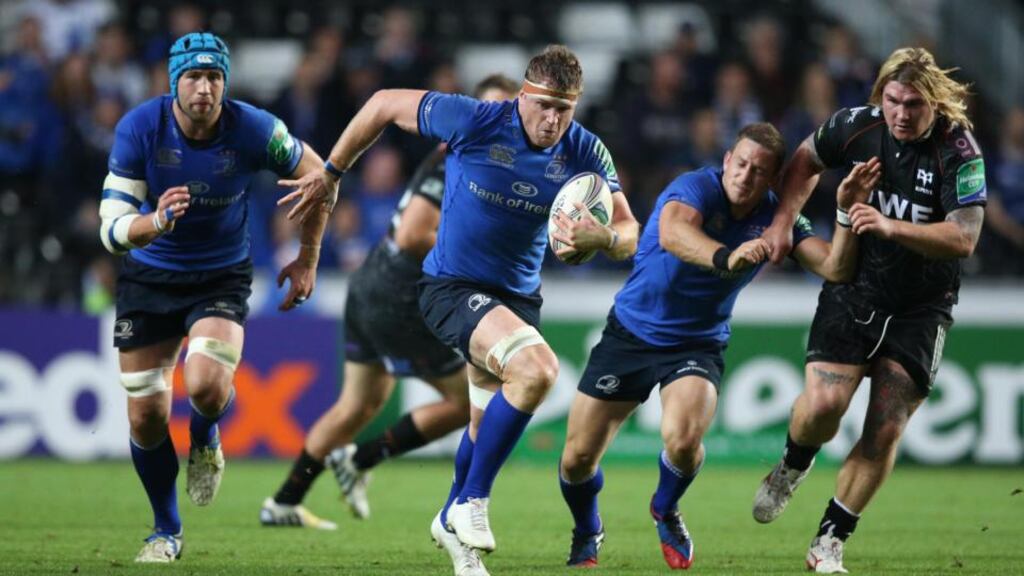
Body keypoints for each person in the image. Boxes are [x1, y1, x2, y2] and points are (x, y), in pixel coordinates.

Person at [279, 45, 640, 576]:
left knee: (478, 427)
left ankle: (456, 537)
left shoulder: (586, 150)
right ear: (524, 95)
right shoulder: (475, 119)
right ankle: (469, 504)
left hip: (516, 299)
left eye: (565, 110)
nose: (553, 120)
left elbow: (632, 232)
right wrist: (333, 171)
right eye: (544, 106)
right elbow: (380, 103)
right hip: (451, 287)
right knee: (537, 370)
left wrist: (605, 235)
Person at [558, 123, 879, 569]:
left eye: (759, 170)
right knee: (576, 459)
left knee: (685, 439)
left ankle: (666, 509)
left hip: (697, 343)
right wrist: (727, 256)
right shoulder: (695, 186)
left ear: (772, 179)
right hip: (630, 333)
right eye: (741, 163)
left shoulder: (774, 216)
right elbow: (674, 233)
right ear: (727, 160)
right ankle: (587, 528)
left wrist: (846, 212)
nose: (745, 176)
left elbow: (834, 267)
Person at [100, 32, 332, 563]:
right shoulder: (139, 128)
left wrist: (308, 256)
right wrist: (155, 222)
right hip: (149, 277)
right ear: (173, 82)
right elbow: (110, 228)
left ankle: (205, 435)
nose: (204, 88)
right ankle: (165, 532)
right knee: (145, 419)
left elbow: (320, 175)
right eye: (193, 77)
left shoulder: (254, 129)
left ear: (225, 83)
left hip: (220, 275)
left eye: (214, 77)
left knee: (204, 385)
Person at [756, 47, 986, 574]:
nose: (901, 114)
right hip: (855, 290)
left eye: (914, 105)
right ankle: (793, 465)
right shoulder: (857, 126)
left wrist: (890, 226)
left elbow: (965, 237)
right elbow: (804, 161)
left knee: (884, 429)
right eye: (893, 100)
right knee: (822, 408)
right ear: (880, 95)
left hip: (922, 308)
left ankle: (830, 541)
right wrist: (781, 223)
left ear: (936, 104)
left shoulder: (960, 151)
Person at [259, 75, 519, 532]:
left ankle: (284, 500)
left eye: (505, 110)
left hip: (372, 284)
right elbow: (416, 233)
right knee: (468, 400)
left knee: (357, 406)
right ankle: (363, 459)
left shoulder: (482, 164)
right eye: (489, 108)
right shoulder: (454, 160)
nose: (496, 120)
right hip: (400, 294)